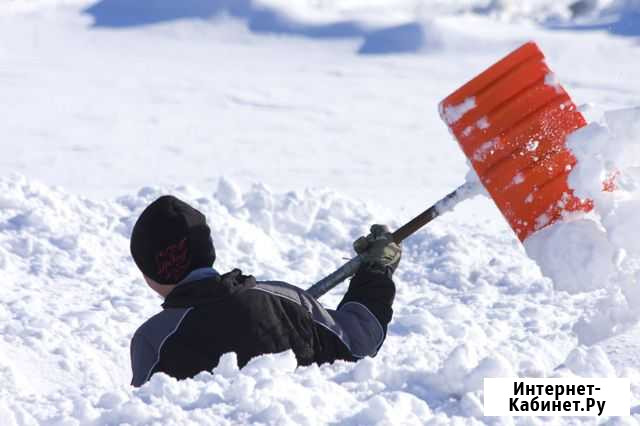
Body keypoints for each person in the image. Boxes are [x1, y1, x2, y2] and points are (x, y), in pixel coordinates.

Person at [129, 195, 401, 387]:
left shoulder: (152, 340)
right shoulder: (286, 300)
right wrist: (377, 270)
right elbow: (360, 341)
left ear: (149, 272)